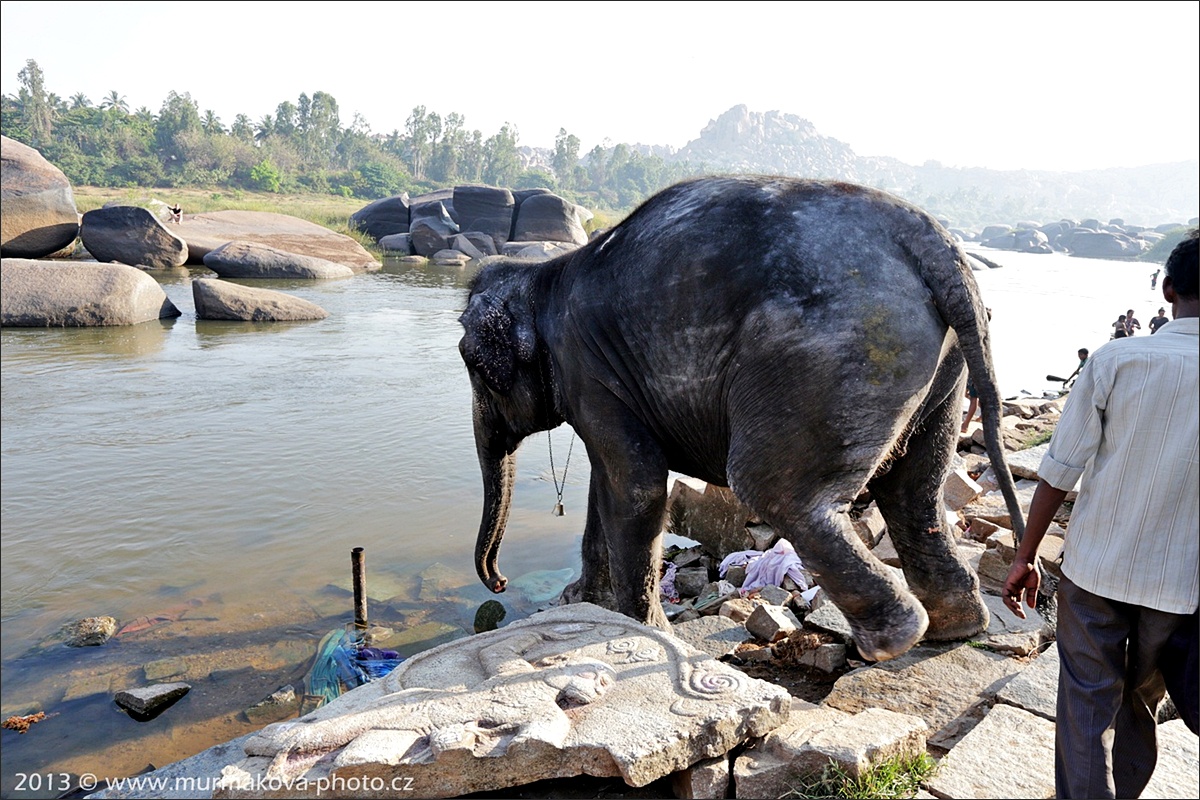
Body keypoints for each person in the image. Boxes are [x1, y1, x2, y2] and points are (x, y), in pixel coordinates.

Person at [1003, 229, 1198, 799]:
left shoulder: (1120, 358)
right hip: (1180, 587)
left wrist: (1025, 555)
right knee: (1140, 698)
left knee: (1088, 708)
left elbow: (1059, 470)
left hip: (1095, 571)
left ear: (1167, 291)